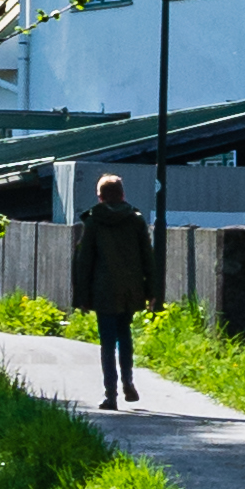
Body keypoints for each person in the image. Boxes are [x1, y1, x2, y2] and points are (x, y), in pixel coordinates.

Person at [77, 169, 158, 409]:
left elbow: (85, 261)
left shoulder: (93, 222)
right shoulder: (136, 220)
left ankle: (110, 394)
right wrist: (152, 291)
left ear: (100, 196)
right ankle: (128, 382)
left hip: (103, 290)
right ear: (122, 195)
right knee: (125, 335)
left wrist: (82, 296)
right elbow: (148, 257)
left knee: (107, 342)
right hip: (131, 289)